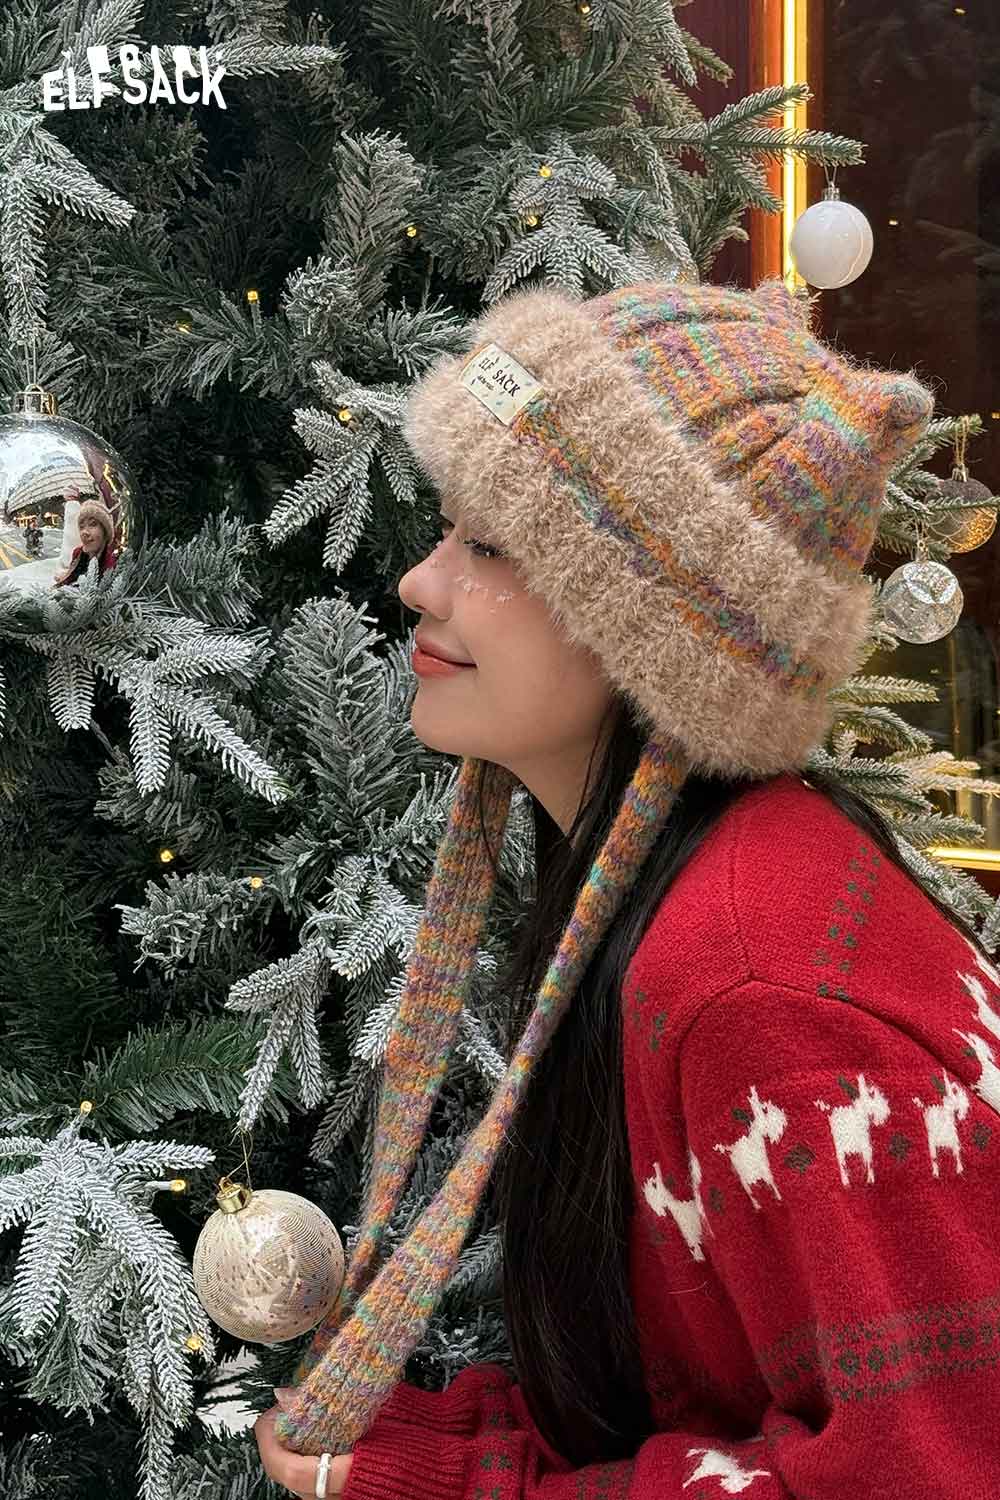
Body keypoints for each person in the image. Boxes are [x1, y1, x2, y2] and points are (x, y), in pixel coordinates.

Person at [255, 279, 1000, 1499]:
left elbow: (929, 1474)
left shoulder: (754, 987)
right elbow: (719, 1390)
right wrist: (463, 1453)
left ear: (654, 627)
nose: (421, 585)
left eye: (491, 545)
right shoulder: (698, 892)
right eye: (449, 532)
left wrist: (477, 1489)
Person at [55, 497, 118, 586]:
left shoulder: (113, 565)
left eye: (92, 524)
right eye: (81, 527)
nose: (85, 532)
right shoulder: (77, 553)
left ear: (105, 530)